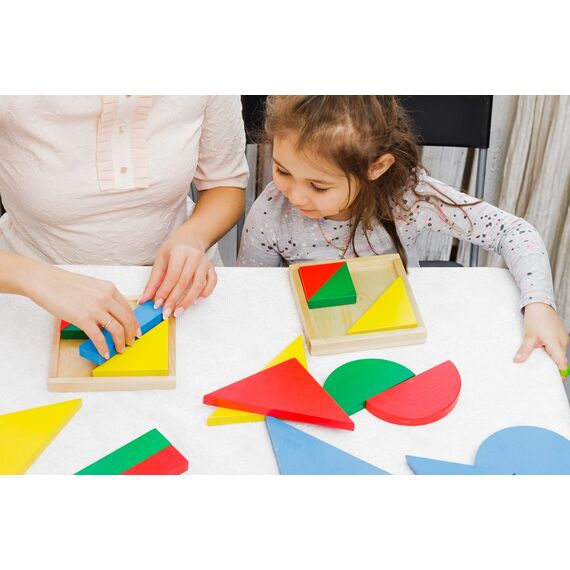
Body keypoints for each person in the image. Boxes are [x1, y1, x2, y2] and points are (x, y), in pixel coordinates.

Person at [237, 96, 569, 372]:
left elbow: (514, 231)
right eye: (282, 170)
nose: (295, 196)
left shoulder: (411, 198)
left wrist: (539, 304)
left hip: (400, 348)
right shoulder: (271, 211)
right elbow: (250, 293)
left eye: (319, 186)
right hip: (311, 353)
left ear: (376, 168)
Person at [0, 95, 248, 359]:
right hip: (26, 294)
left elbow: (225, 181)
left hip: (181, 289)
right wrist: (39, 279)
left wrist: (193, 237)